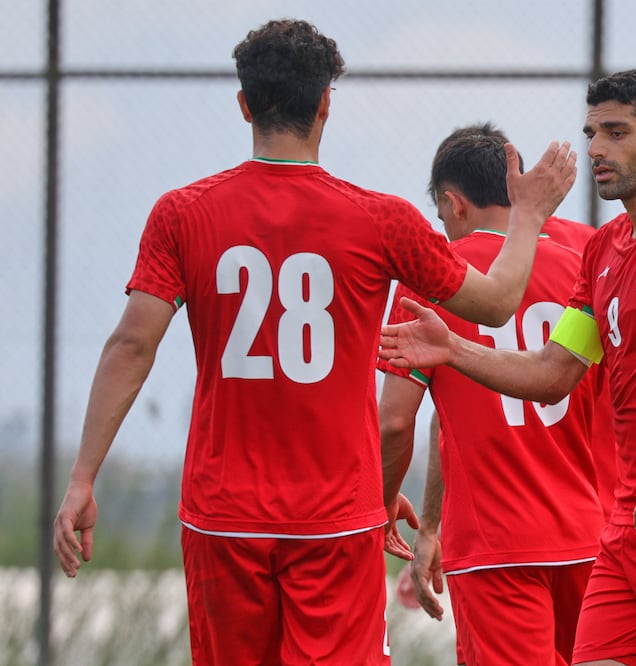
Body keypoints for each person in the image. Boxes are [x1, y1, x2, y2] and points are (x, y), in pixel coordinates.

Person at [51, 19, 576, 665]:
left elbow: (131, 345)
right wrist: (526, 217)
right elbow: (496, 302)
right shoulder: (379, 218)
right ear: (326, 102)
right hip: (335, 514)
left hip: (222, 512)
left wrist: (83, 477)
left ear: (244, 104)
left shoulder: (181, 213)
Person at [379, 68, 636, 665]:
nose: (597, 148)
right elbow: (554, 372)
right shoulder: (602, 250)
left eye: (617, 132)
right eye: (591, 132)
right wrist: (453, 349)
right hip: (627, 526)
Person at [379, 124, 610, 665]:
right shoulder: (585, 262)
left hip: (496, 545)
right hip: (593, 535)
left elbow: (397, 420)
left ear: (450, 203)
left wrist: (387, 509)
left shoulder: (433, 276)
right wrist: (433, 522)